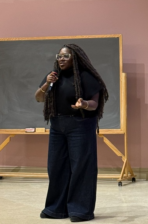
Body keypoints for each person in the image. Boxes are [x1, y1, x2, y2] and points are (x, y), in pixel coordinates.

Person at [35, 44, 108, 222]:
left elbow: (95, 104)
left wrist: (84, 104)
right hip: (58, 125)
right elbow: (39, 97)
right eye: (59, 56)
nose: (61, 59)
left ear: (75, 58)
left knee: (81, 168)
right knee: (56, 166)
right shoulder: (53, 76)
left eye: (66, 56)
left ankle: (80, 210)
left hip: (81, 125)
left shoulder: (87, 77)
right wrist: (47, 83)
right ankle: (56, 209)